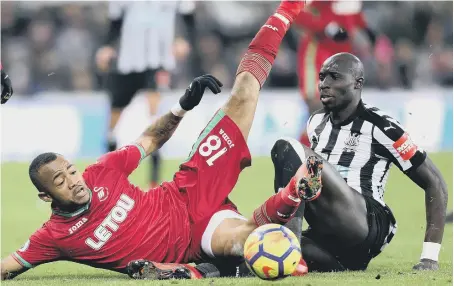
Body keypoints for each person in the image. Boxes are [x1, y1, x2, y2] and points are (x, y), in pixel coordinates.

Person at [1, 1, 312, 280]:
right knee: (247, 240)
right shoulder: (53, 237)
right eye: (60, 180)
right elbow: (7, 266)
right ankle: (290, 197)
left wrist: (183, 106)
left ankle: (287, 8)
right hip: (197, 236)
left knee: (243, 93)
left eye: (70, 170)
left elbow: (149, 139)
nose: (73, 180)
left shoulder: (100, 171)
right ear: (46, 197)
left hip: (190, 188)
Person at [269, 52, 448, 272]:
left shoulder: (382, 126)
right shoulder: (316, 122)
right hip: (334, 238)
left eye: (334, 77)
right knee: (251, 248)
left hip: (365, 221)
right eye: (322, 77)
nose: (324, 84)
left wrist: (429, 258)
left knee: (287, 148)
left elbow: (435, 182)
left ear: (357, 83)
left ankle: (288, 242)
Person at [95, 1, 197, 188]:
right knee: (113, 122)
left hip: (159, 61)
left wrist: (183, 39)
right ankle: (108, 176)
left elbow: (188, 18)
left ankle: (153, 182)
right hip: (126, 62)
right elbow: (115, 21)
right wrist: (107, 46)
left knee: (154, 118)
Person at [292, 1, 376, 147]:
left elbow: (351, 15)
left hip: (343, 57)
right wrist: (326, 27)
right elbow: (297, 13)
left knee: (337, 110)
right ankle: (303, 154)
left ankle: (311, 153)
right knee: (318, 106)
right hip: (318, 55)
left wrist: (364, 28)